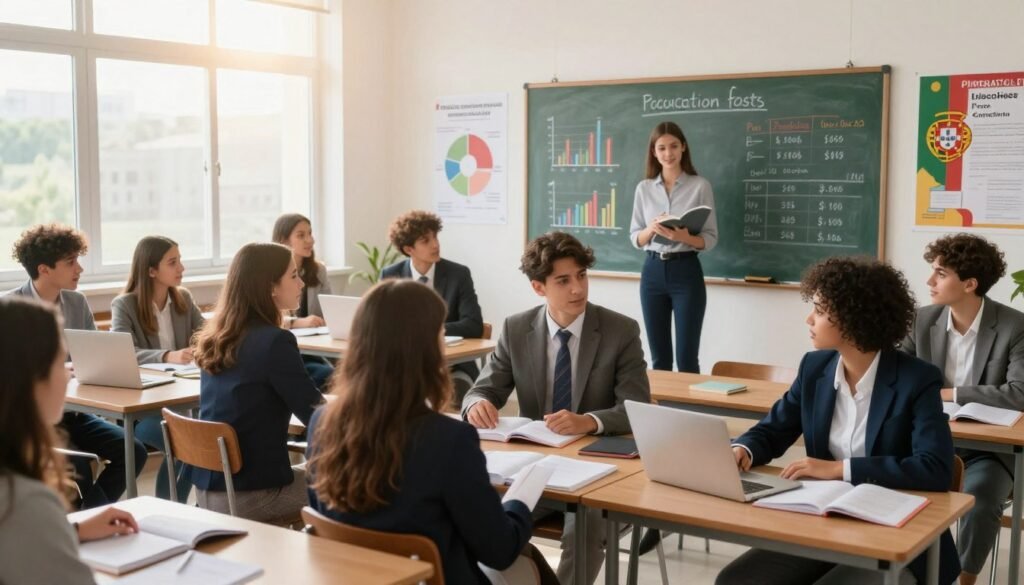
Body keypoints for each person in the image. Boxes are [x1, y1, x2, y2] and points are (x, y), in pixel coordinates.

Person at [717, 257, 959, 585]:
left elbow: (934, 468)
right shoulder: (815, 368)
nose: (809, 318)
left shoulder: (917, 380)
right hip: (823, 524)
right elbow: (774, 428)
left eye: (819, 309)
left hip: (896, 535)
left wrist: (840, 469)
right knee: (736, 580)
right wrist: (743, 448)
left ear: (851, 317)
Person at [307, 280, 557, 585]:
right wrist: (518, 505)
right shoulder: (450, 440)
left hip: (358, 578)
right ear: (426, 350)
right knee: (526, 566)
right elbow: (498, 551)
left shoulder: (321, 424)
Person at [462, 231, 650, 585]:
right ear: (538, 288)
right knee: (482, 516)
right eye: (563, 281)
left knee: (586, 526)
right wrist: (478, 403)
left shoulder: (620, 330)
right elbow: (483, 388)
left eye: (581, 276)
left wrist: (589, 421)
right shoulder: (516, 328)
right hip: (536, 468)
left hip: (599, 471)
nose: (577, 288)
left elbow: (636, 408)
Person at [899, 234, 1024, 585]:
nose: (929, 281)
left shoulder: (1014, 326)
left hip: (990, 450)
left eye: (940, 273)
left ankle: (965, 581)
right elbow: (896, 376)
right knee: (890, 485)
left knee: (982, 500)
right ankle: (915, 571)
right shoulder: (921, 320)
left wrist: (947, 394)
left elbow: (1019, 393)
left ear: (970, 284)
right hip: (928, 443)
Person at [0, 296, 139, 585]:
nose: (67, 374)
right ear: (31, 379)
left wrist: (70, 531)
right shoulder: (24, 500)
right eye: (60, 361)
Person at [7, 224, 147, 509]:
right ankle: (88, 523)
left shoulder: (76, 301)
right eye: (70, 262)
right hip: (35, 419)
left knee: (133, 451)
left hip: (74, 412)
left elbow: (92, 357)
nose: (79, 269)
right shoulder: (11, 308)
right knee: (78, 471)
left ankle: (87, 517)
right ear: (44, 269)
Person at [629, 121, 719, 554]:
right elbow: (635, 237)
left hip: (686, 271)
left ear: (684, 148)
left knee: (688, 359)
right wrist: (652, 230)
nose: (667, 152)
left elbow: (710, 240)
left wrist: (685, 236)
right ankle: (660, 442)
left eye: (673, 146)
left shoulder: (700, 185)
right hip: (652, 270)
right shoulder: (643, 189)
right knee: (657, 360)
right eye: (660, 147)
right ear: (655, 151)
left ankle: (692, 445)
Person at [191, 242, 323, 525]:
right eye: (293, 276)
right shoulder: (276, 342)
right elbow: (316, 415)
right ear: (271, 287)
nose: (301, 282)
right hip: (251, 497)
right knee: (355, 481)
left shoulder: (216, 337)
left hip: (208, 493)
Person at [111, 235, 205, 502]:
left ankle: (176, 507)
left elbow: (207, 336)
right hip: (144, 409)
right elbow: (123, 350)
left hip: (182, 397)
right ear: (151, 270)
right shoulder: (125, 305)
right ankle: (171, 507)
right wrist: (167, 355)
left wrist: (203, 348)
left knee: (194, 445)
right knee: (184, 446)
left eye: (180, 260)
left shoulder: (183, 299)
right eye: (173, 262)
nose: (181, 268)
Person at [381, 210, 484, 404]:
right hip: (404, 364)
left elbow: (473, 325)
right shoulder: (390, 275)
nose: (435, 244)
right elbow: (384, 325)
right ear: (409, 249)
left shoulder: (458, 274)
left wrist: (427, 330)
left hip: (452, 365)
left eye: (435, 237)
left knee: (456, 387)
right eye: (425, 240)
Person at [271, 213, 334, 389]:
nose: (310, 240)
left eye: (310, 233)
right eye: (301, 235)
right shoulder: (271, 273)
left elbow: (329, 311)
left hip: (315, 349)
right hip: (287, 351)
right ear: (283, 240)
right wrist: (297, 322)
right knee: (328, 377)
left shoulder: (318, 270)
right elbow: (265, 317)